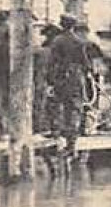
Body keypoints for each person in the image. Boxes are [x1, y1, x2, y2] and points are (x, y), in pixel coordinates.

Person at [38, 15, 92, 170]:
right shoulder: (79, 42)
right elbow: (86, 64)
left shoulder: (57, 41)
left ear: (62, 25)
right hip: (76, 78)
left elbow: (52, 62)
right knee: (73, 110)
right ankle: (71, 144)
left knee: (55, 105)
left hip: (61, 78)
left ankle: (56, 135)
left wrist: (50, 81)